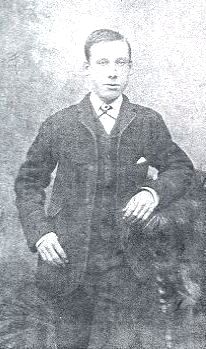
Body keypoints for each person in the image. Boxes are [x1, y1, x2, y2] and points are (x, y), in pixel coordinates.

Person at [15, 29, 195, 348]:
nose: (113, 72)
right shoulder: (60, 124)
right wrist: (41, 233)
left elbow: (181, 168)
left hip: (130, 265)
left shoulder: (147, 122)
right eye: (103, 63)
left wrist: (153, 192)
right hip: (69, 263)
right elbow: (29, 182)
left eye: (121, 63)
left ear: (129, 68)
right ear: (87, 69)